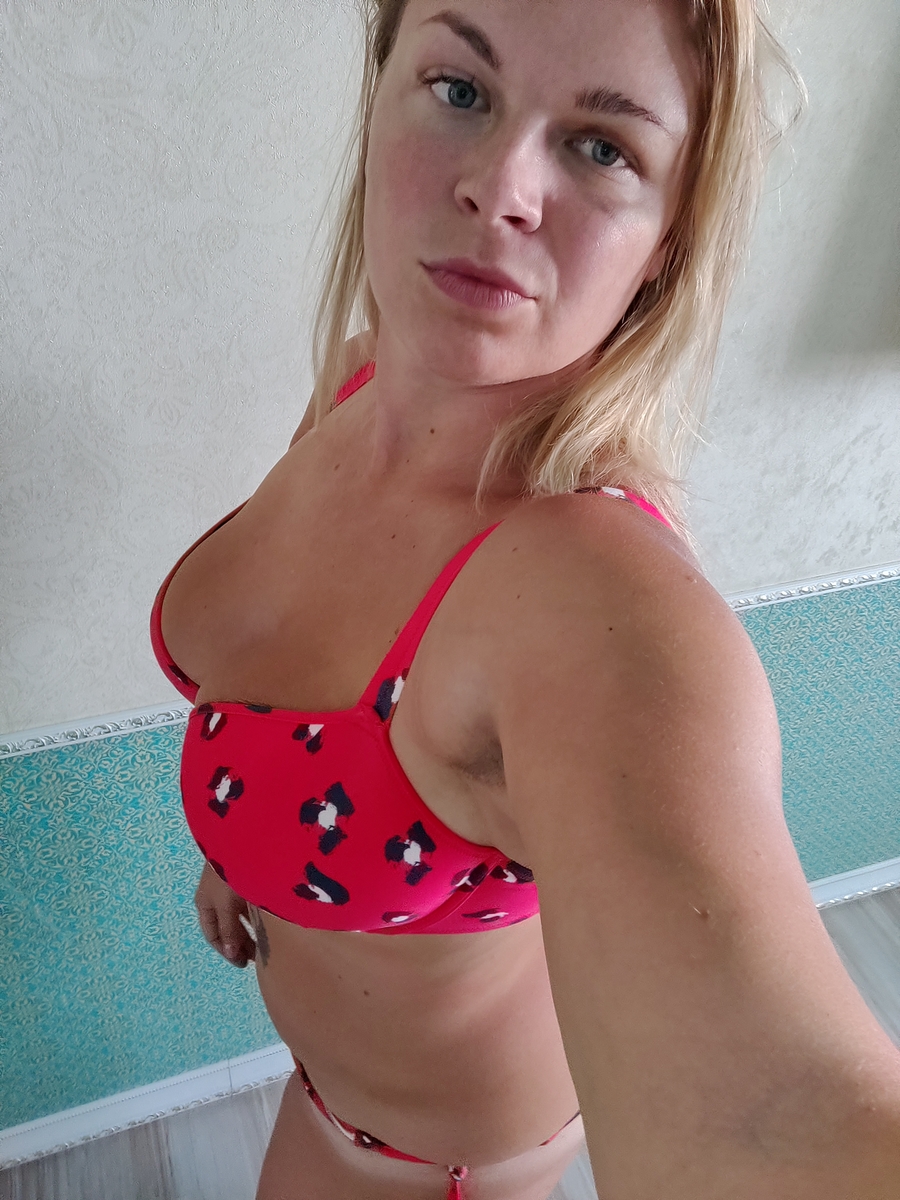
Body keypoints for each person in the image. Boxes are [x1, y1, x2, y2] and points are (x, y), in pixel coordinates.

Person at [151, 0, 900, 1196]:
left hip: (427, 1166)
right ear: (381, 89)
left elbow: (778, 1117)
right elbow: (285, 690)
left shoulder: (590, 600)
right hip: (331, 1091)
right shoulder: (357, 381)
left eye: (603, 147)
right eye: (461, 90)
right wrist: (246, 847)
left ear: (667, 240)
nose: (501, 190)